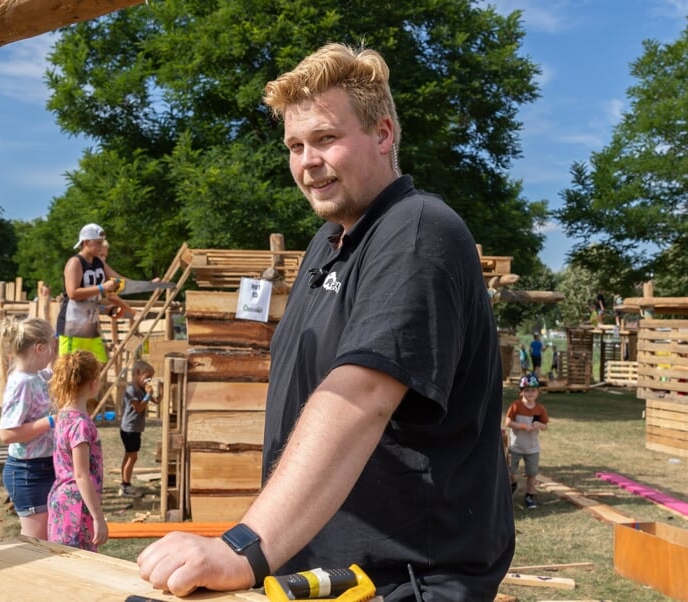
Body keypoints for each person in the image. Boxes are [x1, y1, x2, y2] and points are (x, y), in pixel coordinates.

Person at [137, 43, 514, 600]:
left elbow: (360, 398)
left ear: (383, 135)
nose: (306, 161)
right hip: (326, 575)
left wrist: (245, 545)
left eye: (325, 139)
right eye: (294, 145)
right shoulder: (327, 244)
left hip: (404, 581)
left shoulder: (416, 231)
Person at [0, 317, 57, 539]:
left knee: (48, 541)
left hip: (45, 466)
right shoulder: (22, 382)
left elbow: (53, 372)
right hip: (28, 472)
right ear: (40, 348)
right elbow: (7, 434)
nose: (53, 353)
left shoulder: (39, 375)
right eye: (51, 347)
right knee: (36, 545)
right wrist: (51, 421)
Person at [47, 350, 108, 551]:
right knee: (79, 567)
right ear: (93, 383)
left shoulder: (63, 416)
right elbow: (81, 474)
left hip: (61, 500)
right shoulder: (81, 424)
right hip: (76, 506)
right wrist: (98, 517)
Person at [57, 223, 133, 362]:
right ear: (86, 242)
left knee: (100, 367)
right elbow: (73, 293)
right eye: (98, 243)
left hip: (91, 328)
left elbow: (118, 280)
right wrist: (101, 288)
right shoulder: (75, 262)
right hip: (72, 329)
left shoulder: (98, 262)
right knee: (70, 372)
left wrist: (149, 284)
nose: (100, 246)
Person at [505, 374, 549, 509]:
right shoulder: (515, 406)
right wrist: (523, 427)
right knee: (509, 471)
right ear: (521, 392)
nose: (530, 393)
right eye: (527, 390)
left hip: (532, 448)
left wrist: (539, 425)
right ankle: (513, 484)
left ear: (538, 392)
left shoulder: (540, 409)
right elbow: (508, 422)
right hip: (515, 447)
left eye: (533, 390)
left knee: (532, 473)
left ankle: (530, 495)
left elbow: (545, 426)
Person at [119, 360, 156, 497]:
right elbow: (139, 408)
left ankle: (124, 483)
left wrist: (155, 394)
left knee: (129, 455)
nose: (149, 380)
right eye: (147, 377)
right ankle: (126, 486)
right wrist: (147, 395)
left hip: (134, 429)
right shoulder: (131, 390)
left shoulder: (140, 389)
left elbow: (155, 400)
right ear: (137, 373)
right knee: (132, 456)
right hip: (129, 429)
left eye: (150, 378)